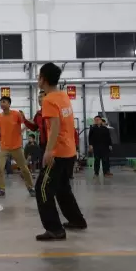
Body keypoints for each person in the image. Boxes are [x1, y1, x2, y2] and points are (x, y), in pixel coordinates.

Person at [35, 62, 87, 241]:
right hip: (69, 151)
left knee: (42, 188)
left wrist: (48, 151)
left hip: (57, 152)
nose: (37, 79)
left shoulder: (48, 100)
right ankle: (77, 220)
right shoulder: (63, 96)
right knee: (62, 188)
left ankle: (55, 229)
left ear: (43, 79)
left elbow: (55, 126)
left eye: (39, 76)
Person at [0, 96, 35, 198]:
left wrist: (21, 131)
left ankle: (31, 188)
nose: (2, 104)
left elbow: (26, 123)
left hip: (16, 147)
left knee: (24, 169)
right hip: (4, 147)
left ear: (9, 104)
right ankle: (1, 189)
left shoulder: (16, 114)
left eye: (4, 102)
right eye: (1, 102)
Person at [24, 90, 48, 170]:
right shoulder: (38, 114)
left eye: (41, 97)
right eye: (38, 97)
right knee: (43, 166)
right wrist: (24, 120)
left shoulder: (54, 112)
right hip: (43, 144)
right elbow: (34, 127)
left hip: (53, 144)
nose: (39, 99)